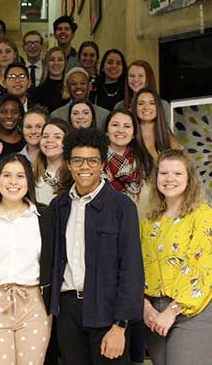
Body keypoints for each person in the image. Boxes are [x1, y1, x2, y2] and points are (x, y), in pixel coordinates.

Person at [49, 127, 144, 365]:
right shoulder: (58, 206)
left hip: (108, 313)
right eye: (78, 160)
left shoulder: (121, 207)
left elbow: (132, 269)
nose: (84, 167)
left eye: (92, 160)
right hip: (68, 311)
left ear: (102, 164)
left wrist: (120, 325)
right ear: (68, 164)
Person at [0, 153, 54, 365]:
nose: (13, 182)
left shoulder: (45, 216)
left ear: (29, 181)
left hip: (34, 304)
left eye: (20, 176)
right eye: (6, 175)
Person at [141, 149, 212, 365]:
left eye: (177, 174)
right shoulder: (149, 221)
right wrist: (145, 306)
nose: (169, 179)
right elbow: (138, 266)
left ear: (189, 179)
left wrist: (173, 310)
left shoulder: (203, 217)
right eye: (163, 173)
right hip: (155, 313)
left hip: (193, 313)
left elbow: (202, 271)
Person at [103, 108, 152, 204]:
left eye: (127, 126)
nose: (120, 130)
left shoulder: (143, 160)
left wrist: (113, 182)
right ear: (106, 131)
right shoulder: (96, 160)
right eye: (115, 125)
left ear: (134, 134)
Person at [51, 67, 110, 132]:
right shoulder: (57, 115)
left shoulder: (104, 115)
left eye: (82, 83)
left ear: (90, 86)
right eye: (73, 84)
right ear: (66, 88)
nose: (78, 87)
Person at [131, 88, 182, 161]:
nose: (146, 107)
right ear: (135, 108)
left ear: (158, 107)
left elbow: (181, 163)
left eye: (152, 103)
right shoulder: (128, 134)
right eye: (141, 103)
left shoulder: (166, 135)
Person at [115, 60, 172, 124]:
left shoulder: (163, 105)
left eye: (140, 76)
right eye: (132, 76)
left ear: (148, 78)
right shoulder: (119, 106)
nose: (136, 79)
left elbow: (167, 131)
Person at [34, 119, 72, 205]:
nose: (49, 140)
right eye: (45, 136)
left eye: (57, 137)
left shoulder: (75, 175)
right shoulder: (31, 173)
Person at [0, 94, 26, 159]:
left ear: (20, 116)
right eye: (4, 112)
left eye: (14, 112)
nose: (9, 116)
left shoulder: (27, 141)